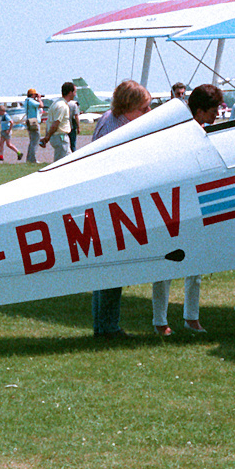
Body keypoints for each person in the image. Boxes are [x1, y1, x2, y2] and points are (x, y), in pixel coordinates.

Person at [151, 84, 223, 335]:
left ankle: (191, 317)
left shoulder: (205, 132)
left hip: (196, 205)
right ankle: (160, 321)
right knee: (165, 266)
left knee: (196, 267)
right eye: (213, 110)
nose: (216, 115)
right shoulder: (178, 134)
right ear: (200, 110)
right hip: (172, 206)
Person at [90, 80, 152, 339]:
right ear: (129, 107)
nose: (147, 113)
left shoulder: (109, 119)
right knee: (111, 272)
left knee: (107, 274)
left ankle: (105, 325)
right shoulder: (116, 129)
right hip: (109, 206)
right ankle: (107, 327)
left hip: (105, 203)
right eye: (144, 108)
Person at [39, 81, 76, 162]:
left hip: (59, 137)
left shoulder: (56, 103)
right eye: (74, 92)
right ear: (70, 92)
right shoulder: (62, 106)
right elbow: (56, 123)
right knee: (60, 163)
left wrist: (47, 136)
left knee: (70, 161)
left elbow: (49, 122)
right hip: (60, 137)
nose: (75, 94)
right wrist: (47, 137)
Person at [24, 88, 43, 163]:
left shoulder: (26, 101)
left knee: (32, 141)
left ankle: (29, 158)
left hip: (29, 121)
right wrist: (39, 98)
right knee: (35, 140)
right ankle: (33, 159)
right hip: (34, 122)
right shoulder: (32, 101)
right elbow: (41, 105)